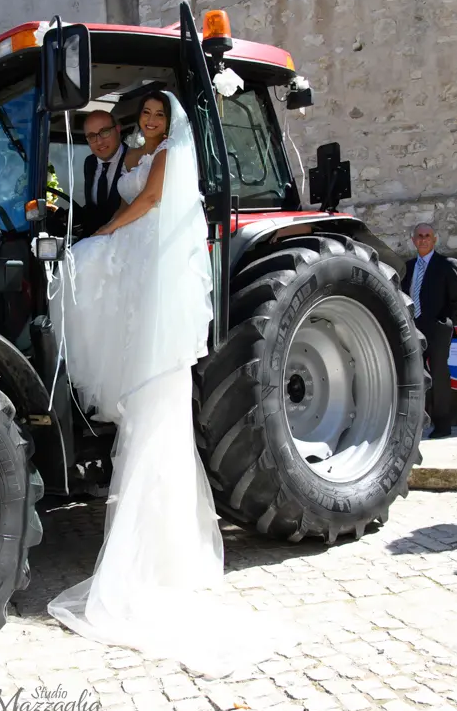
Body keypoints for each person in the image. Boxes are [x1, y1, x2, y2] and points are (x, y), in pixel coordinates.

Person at [46, 90, 298, 677]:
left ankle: (158, 545)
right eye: (148, 116)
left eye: (160, 116)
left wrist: (105, 231)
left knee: (89, 269)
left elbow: (156, 201)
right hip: (137, 257)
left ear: (170, 123)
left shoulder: (165, 160)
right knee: (86, 271)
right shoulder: (132, 153)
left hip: (148, 254)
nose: (152, 123)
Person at [402, 223, 457, 438]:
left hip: (437, 329)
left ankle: (442, 424)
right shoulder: (407, 268)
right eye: (419, 236)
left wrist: (446, 323)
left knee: (439, 375)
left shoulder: (447, 265)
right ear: (413, 240)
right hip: (412, 329)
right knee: (413, 376)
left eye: (427, 235)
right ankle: (416, 422)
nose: (423, 239)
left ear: (434, 239)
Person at [76, 109, 128, 237]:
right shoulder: (89, 163)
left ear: (117, 129)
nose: (99, 142)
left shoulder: (134, 159)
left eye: (104, 132)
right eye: (92, 136)